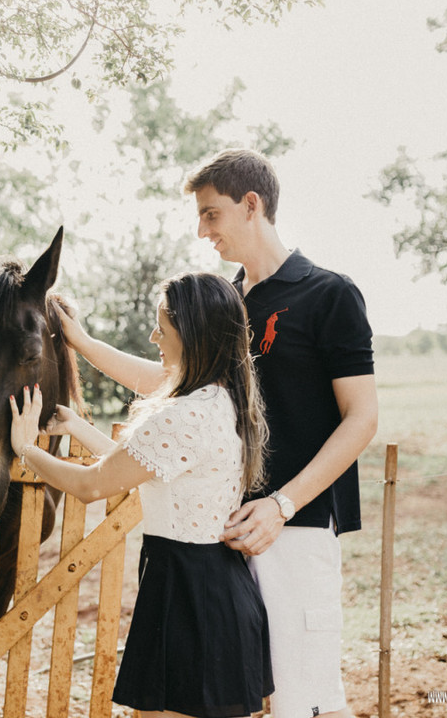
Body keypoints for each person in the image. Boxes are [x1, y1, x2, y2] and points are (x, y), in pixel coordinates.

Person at [54, 148, 378, 718]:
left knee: (303, 701)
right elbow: (175, 381)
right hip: (218, 541)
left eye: (211, 214)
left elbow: (363, 417)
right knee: (238, 702)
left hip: (293, 526)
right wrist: (81, 344)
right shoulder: (228, 300)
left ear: (251, 205)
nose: (202, 230)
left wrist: (281, 505)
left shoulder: (329, 294)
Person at [10, 272, 274, 718]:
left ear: (192, 338)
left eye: (162, 329)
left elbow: (93, 485)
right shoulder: (219, 398)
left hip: (191, 596)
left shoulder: (184, 415)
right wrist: (77, 427)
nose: (153, 337)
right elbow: (146, 467)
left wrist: (25, 449)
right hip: (210, 587)